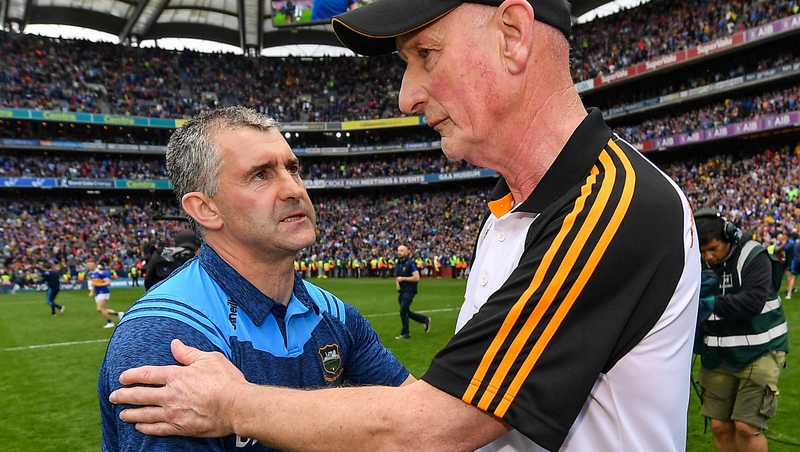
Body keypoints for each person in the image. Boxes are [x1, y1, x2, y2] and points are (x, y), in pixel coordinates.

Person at [109, 1, 702, 451]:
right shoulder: (510, 213)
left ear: (513, 36)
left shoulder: (611, 204)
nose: (405, 95)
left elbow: (436, 424)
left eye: (425, 54)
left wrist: (234, 404)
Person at [98, 106, 411, 452]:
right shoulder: (166, 337)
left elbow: (421, 423)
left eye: (292, 168)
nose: (293, 189)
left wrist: (238, 406)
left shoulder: (335, 315)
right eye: (261, 175)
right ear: (206, 209)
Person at [694, 208, 788, 452]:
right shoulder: (696, 258)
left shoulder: (754, 255)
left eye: (713, 249)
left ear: (729, 236)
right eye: (703, 251)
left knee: (747, 427)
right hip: (718, 356)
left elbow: (752, 303)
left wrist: (712, 303)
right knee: (719, 427)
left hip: (760, 351)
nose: (708, 256)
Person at [394, 244, 430, 339]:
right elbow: (398, 277)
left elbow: (416, 277)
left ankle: (405, 333)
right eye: (398, 250)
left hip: (410, 290)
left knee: (403, 311)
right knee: (406, 311)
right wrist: (397, 284)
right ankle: (424, 319)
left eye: (401, 250)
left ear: (407, 252)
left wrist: (403, 279)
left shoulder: (410, 263)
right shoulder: (398, 263)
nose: (399, 252)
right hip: (402, 291)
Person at [87, 258, 124, 328]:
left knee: (100, 308)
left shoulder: (100, 272)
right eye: (88, 265)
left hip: (103, 292)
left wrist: (99, 285)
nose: (89, 266)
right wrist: (92, 291)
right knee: (100, 309)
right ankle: (118, 314)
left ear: (94, 264)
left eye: (90, 264)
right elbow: (93, 284)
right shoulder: (91, 274)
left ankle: (110, 322)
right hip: (98, 293)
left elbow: (108, 283)